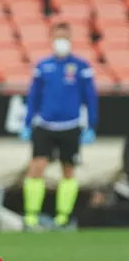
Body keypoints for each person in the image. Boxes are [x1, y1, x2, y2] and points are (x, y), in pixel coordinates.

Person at [19, 21, 98, 230]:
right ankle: (31, 217)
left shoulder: (81, 66)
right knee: (37, 167)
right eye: (58, 37)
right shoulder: (42, 66)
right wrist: (27, 123)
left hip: (70, 125)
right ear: (52, 39)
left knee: (68, 170)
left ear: (70, 39)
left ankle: (63, 217)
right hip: (44, 125)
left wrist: (91, 125)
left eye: (64, 37)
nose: (61, 42)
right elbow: (33, 96)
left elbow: (90, 97)